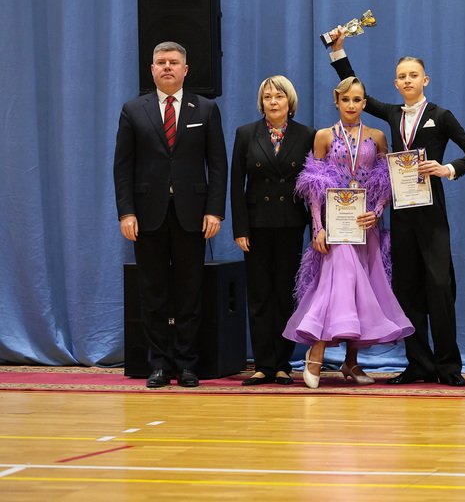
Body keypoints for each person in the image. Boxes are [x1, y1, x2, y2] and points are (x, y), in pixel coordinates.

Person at [326, 27, 465, 386]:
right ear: (396, 83)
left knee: (439, 287)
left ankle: (448, 366)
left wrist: (446, 169)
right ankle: (419, 364)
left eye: (414, 75)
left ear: (425, 80)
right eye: (402, 76)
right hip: (401, 213)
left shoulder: (441, 115)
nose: (408, 80)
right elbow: (355, 87)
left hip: (432, 212)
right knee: (407, 290)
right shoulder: (392, 113)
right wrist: (338, 52)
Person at [282, 76, 414, 389]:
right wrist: (318, 228)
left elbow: (386, 181)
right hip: (336, 226)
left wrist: (377, 212)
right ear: (337, 102)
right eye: (346, 100)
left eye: (357, 100)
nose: (351, 105)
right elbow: (314, 185)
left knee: (362, 290)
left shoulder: (377, 136)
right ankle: (316, 351)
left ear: (364, 103)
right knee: (340, 282)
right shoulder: (324, 136)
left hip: (365, 225)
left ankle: (351, 361)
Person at [113, 41, 228, 388]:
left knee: (190, 292)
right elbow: (122, 167)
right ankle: (159, 365)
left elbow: (218, 165)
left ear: (185, 70)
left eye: (173, 62)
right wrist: (126, 213)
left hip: (192, 216)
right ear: (151, 70)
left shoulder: (205, 109)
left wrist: (215, 211)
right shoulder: (133, 110)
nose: (167, 67)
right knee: (153, 292)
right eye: (161, 62)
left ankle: (187, 363)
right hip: (147, 216)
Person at [231, 76, 316, 386]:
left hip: (290, 224)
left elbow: (313, 186)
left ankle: (282, 364)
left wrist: (316, 227)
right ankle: (263, 364)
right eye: (267, 97)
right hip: (256, 226)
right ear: (261, 102)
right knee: (259, 295)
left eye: (279, 96)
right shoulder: (245, 134)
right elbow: (236, 185)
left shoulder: (306, 135)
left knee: (284, 294)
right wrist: (240, 228)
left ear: (289, 101)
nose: (273, 101)